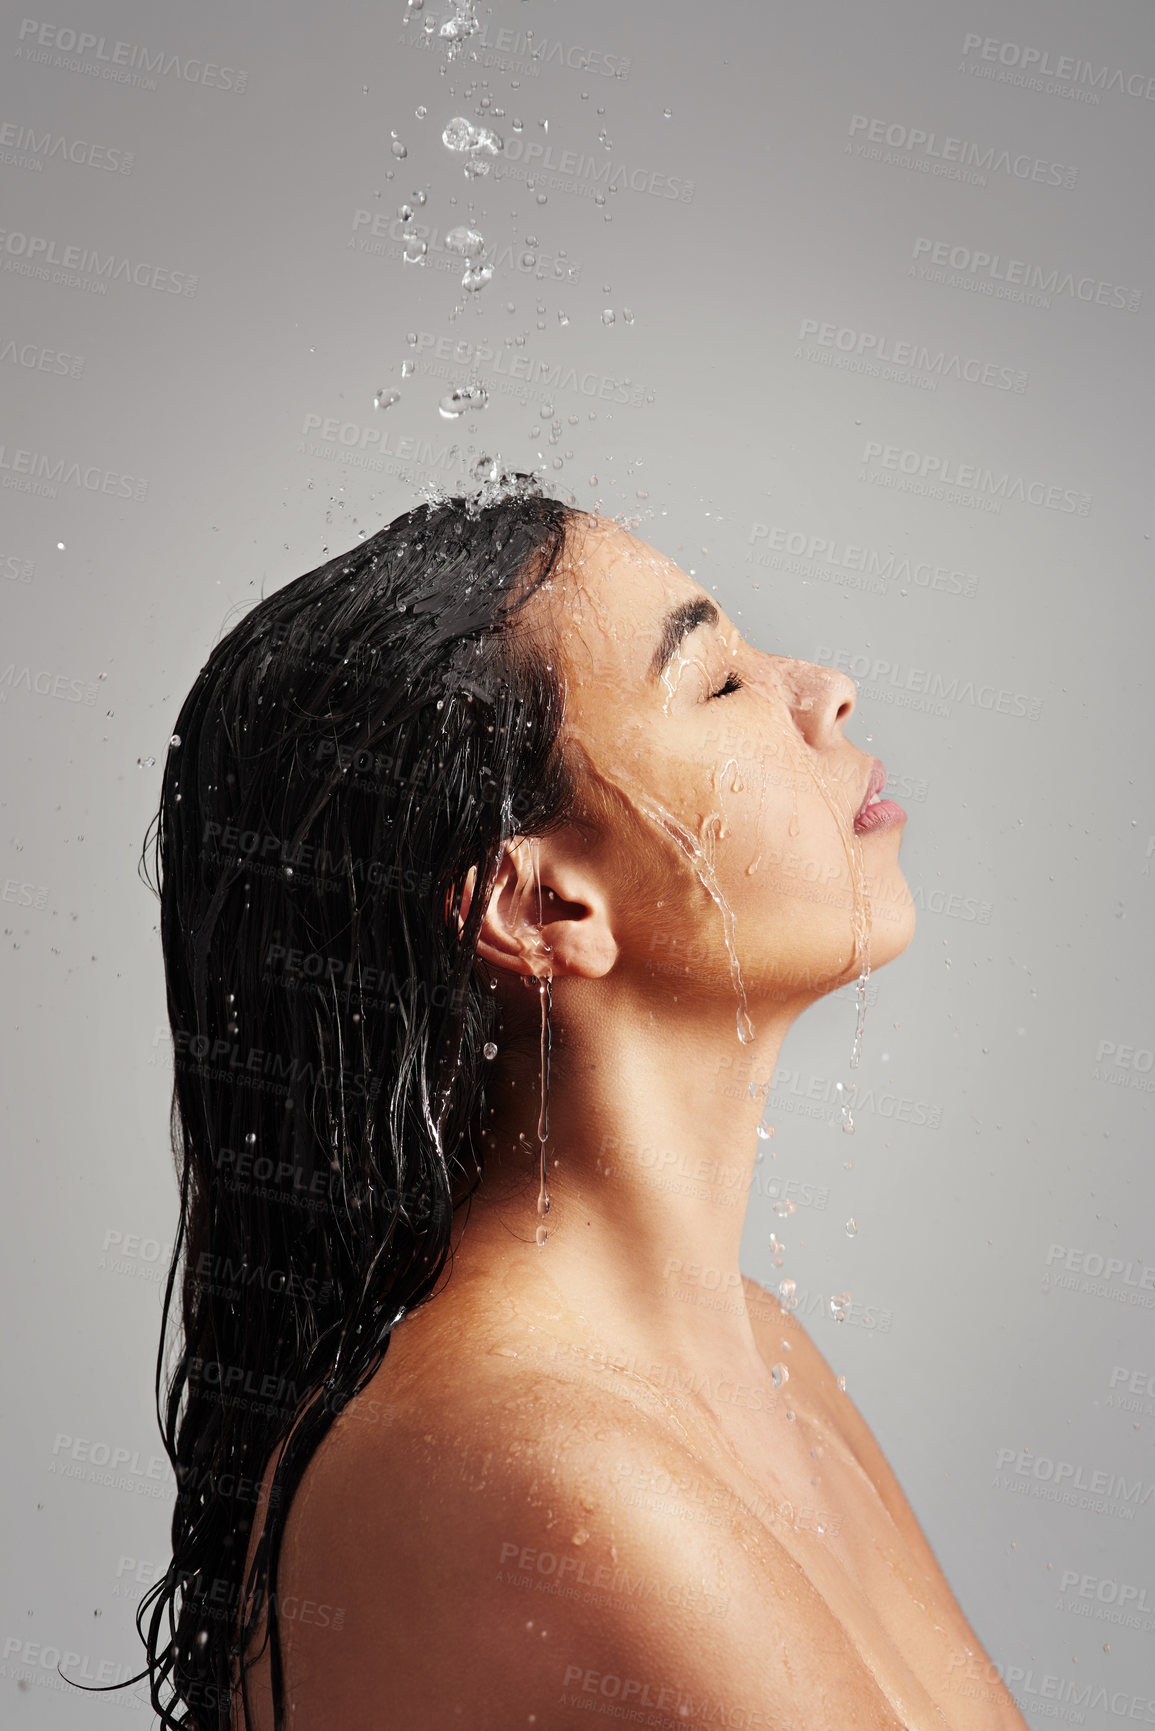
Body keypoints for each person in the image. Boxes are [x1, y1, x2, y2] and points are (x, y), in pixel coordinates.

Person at [136, 476, 1026, 1729]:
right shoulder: (532, 1455)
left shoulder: (761, 1358)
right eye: (717, 682)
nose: (823, 691)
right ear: (544, 908)